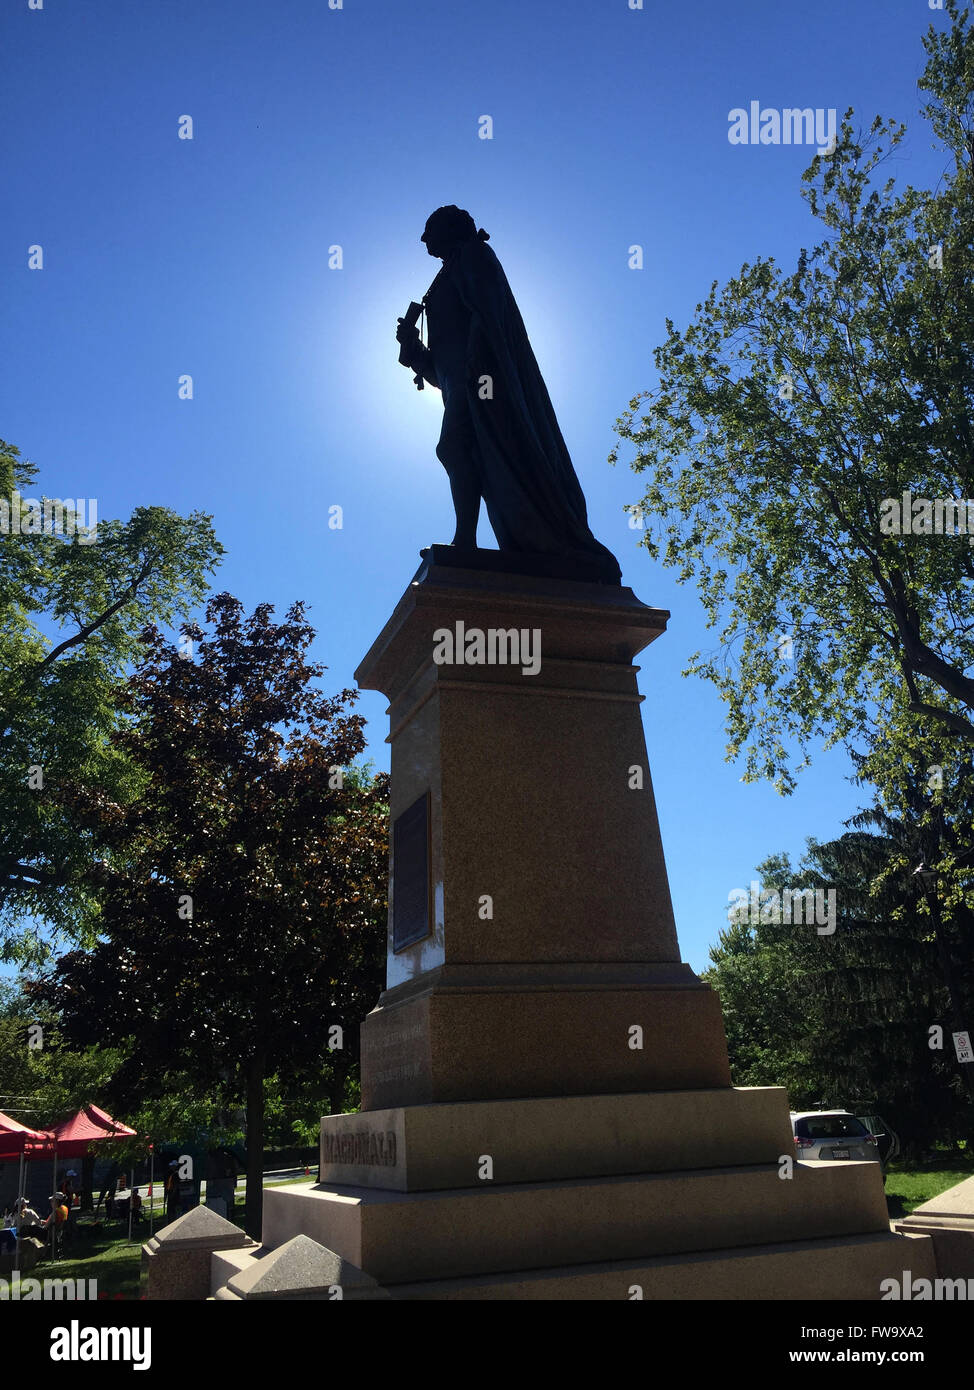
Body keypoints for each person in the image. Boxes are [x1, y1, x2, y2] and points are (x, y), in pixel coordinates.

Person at [396, 205, 621, 583]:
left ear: (452, 229)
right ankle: (467, 540)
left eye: (429, 230)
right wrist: (414, 350)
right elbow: (440, 373)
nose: (423, 239)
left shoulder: (474, 255)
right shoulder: (445, 275)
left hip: (484, 381)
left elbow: (488, 315)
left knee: (459, 448)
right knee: (465, 451)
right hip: (463, 384)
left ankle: (466, 541)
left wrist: (476, 363)